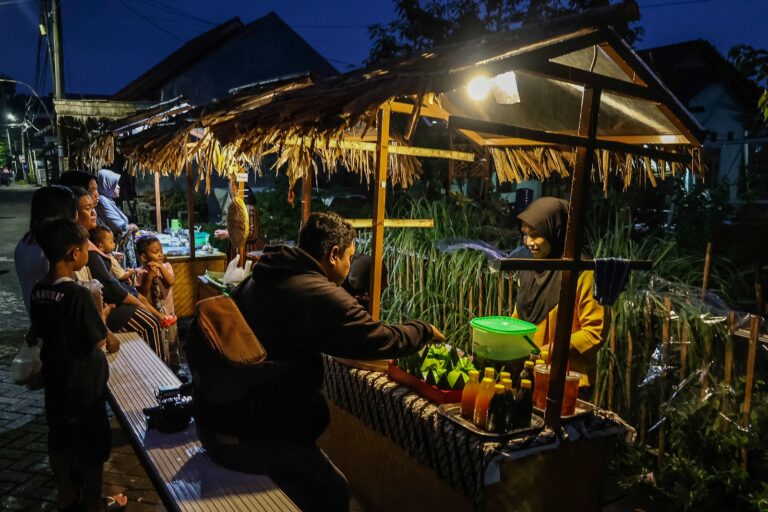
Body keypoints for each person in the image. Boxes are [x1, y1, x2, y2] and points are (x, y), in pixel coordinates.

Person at [186, 212, 444, 512]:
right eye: (349, 256)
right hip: (252, 437)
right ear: (333, 255)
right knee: (333, 494)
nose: (350, 265)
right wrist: (423, 330)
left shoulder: (268, 272)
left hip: (220, 417)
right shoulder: (316, 293)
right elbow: (381, 339)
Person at [30, 218, 127, 512]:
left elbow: (37, 331)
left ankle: (67, 495)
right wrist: (107, 321)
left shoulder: (39, 291)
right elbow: (99, 340)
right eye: (87, 248)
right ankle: (95, 503)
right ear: (75, 254)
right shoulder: (78, 295)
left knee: (59, 439)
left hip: (56, 381)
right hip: (84, 385)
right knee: (91, 447)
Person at [513, 197, 604, 389]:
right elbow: (518, 318)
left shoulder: (582, 272)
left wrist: (548, 352)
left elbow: (593, 332)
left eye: (536, 235)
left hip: (568, 381)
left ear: (556, 231)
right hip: (531, 377)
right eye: (525, 235)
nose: (529, 242)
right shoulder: (531, 269)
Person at [69, 186, 164, 364]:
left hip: (109, 305)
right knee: (150, 323)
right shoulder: (85, 248)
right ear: (72, 212)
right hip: (110, 306)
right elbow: (108, 284)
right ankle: (156, 375)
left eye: (93, 207)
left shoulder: (89, 243)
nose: (93, 212)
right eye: (87, 208)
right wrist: (136, 301)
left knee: (147, 310)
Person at [15, 185, 78, 313]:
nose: (76, 214)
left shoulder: (25, 243)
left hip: (39, 320)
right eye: (74, 208)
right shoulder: (52, 248)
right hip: (59, 321)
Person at [133, 236, 179, 364]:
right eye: (155, 252)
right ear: (144, 257)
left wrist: (160, 267)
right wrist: (150, 276)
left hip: (169, 314)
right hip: (153, 315)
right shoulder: (139, 272)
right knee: (158, 342)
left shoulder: (167, 266)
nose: (160, 254)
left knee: (172, 342)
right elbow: (141, 294)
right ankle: (161, 365)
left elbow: (171, 281)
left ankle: (175, 368)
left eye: (161, 250)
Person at [95, 169, 139, 269]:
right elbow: (120, 227)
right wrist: (132, 227)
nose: (118, 187)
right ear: (107, 185)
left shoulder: (109, 201)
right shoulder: (103, 202)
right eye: (115, 184)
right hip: (117, 250)